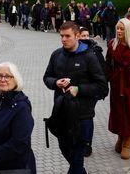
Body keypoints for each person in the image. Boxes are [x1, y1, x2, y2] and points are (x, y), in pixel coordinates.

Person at [44, 22, 108, 174]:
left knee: (77, 156)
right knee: (65, 149)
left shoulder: (89, 57)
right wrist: (55, 82)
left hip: (82, 114)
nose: (63, 39)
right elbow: (47, 77)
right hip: (61, 111)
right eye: (61, 36)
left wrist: (78, 89)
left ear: (77, 36)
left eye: (67, 36)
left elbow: (101, 86)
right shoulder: (56, 55)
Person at [106, 18, 130, 160]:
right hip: (117, 84)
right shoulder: (112, 44)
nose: (119, 31)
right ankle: (120, 138)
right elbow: (107, 64)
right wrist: (110, 77)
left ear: (128, 30)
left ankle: (127, 144)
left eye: (122, 29)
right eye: (117, 28)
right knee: (119, 113)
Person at [77, 26, 106, 157]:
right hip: (76, 90)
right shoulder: (73, 50)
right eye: (82, 35)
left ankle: (87, 143)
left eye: (87, 35)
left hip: (91, 90)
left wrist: (102, 90)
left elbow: (103, 71)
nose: (85, 38)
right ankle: (78, 140)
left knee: (87, 116)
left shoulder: (95, 50)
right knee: (77, 116)